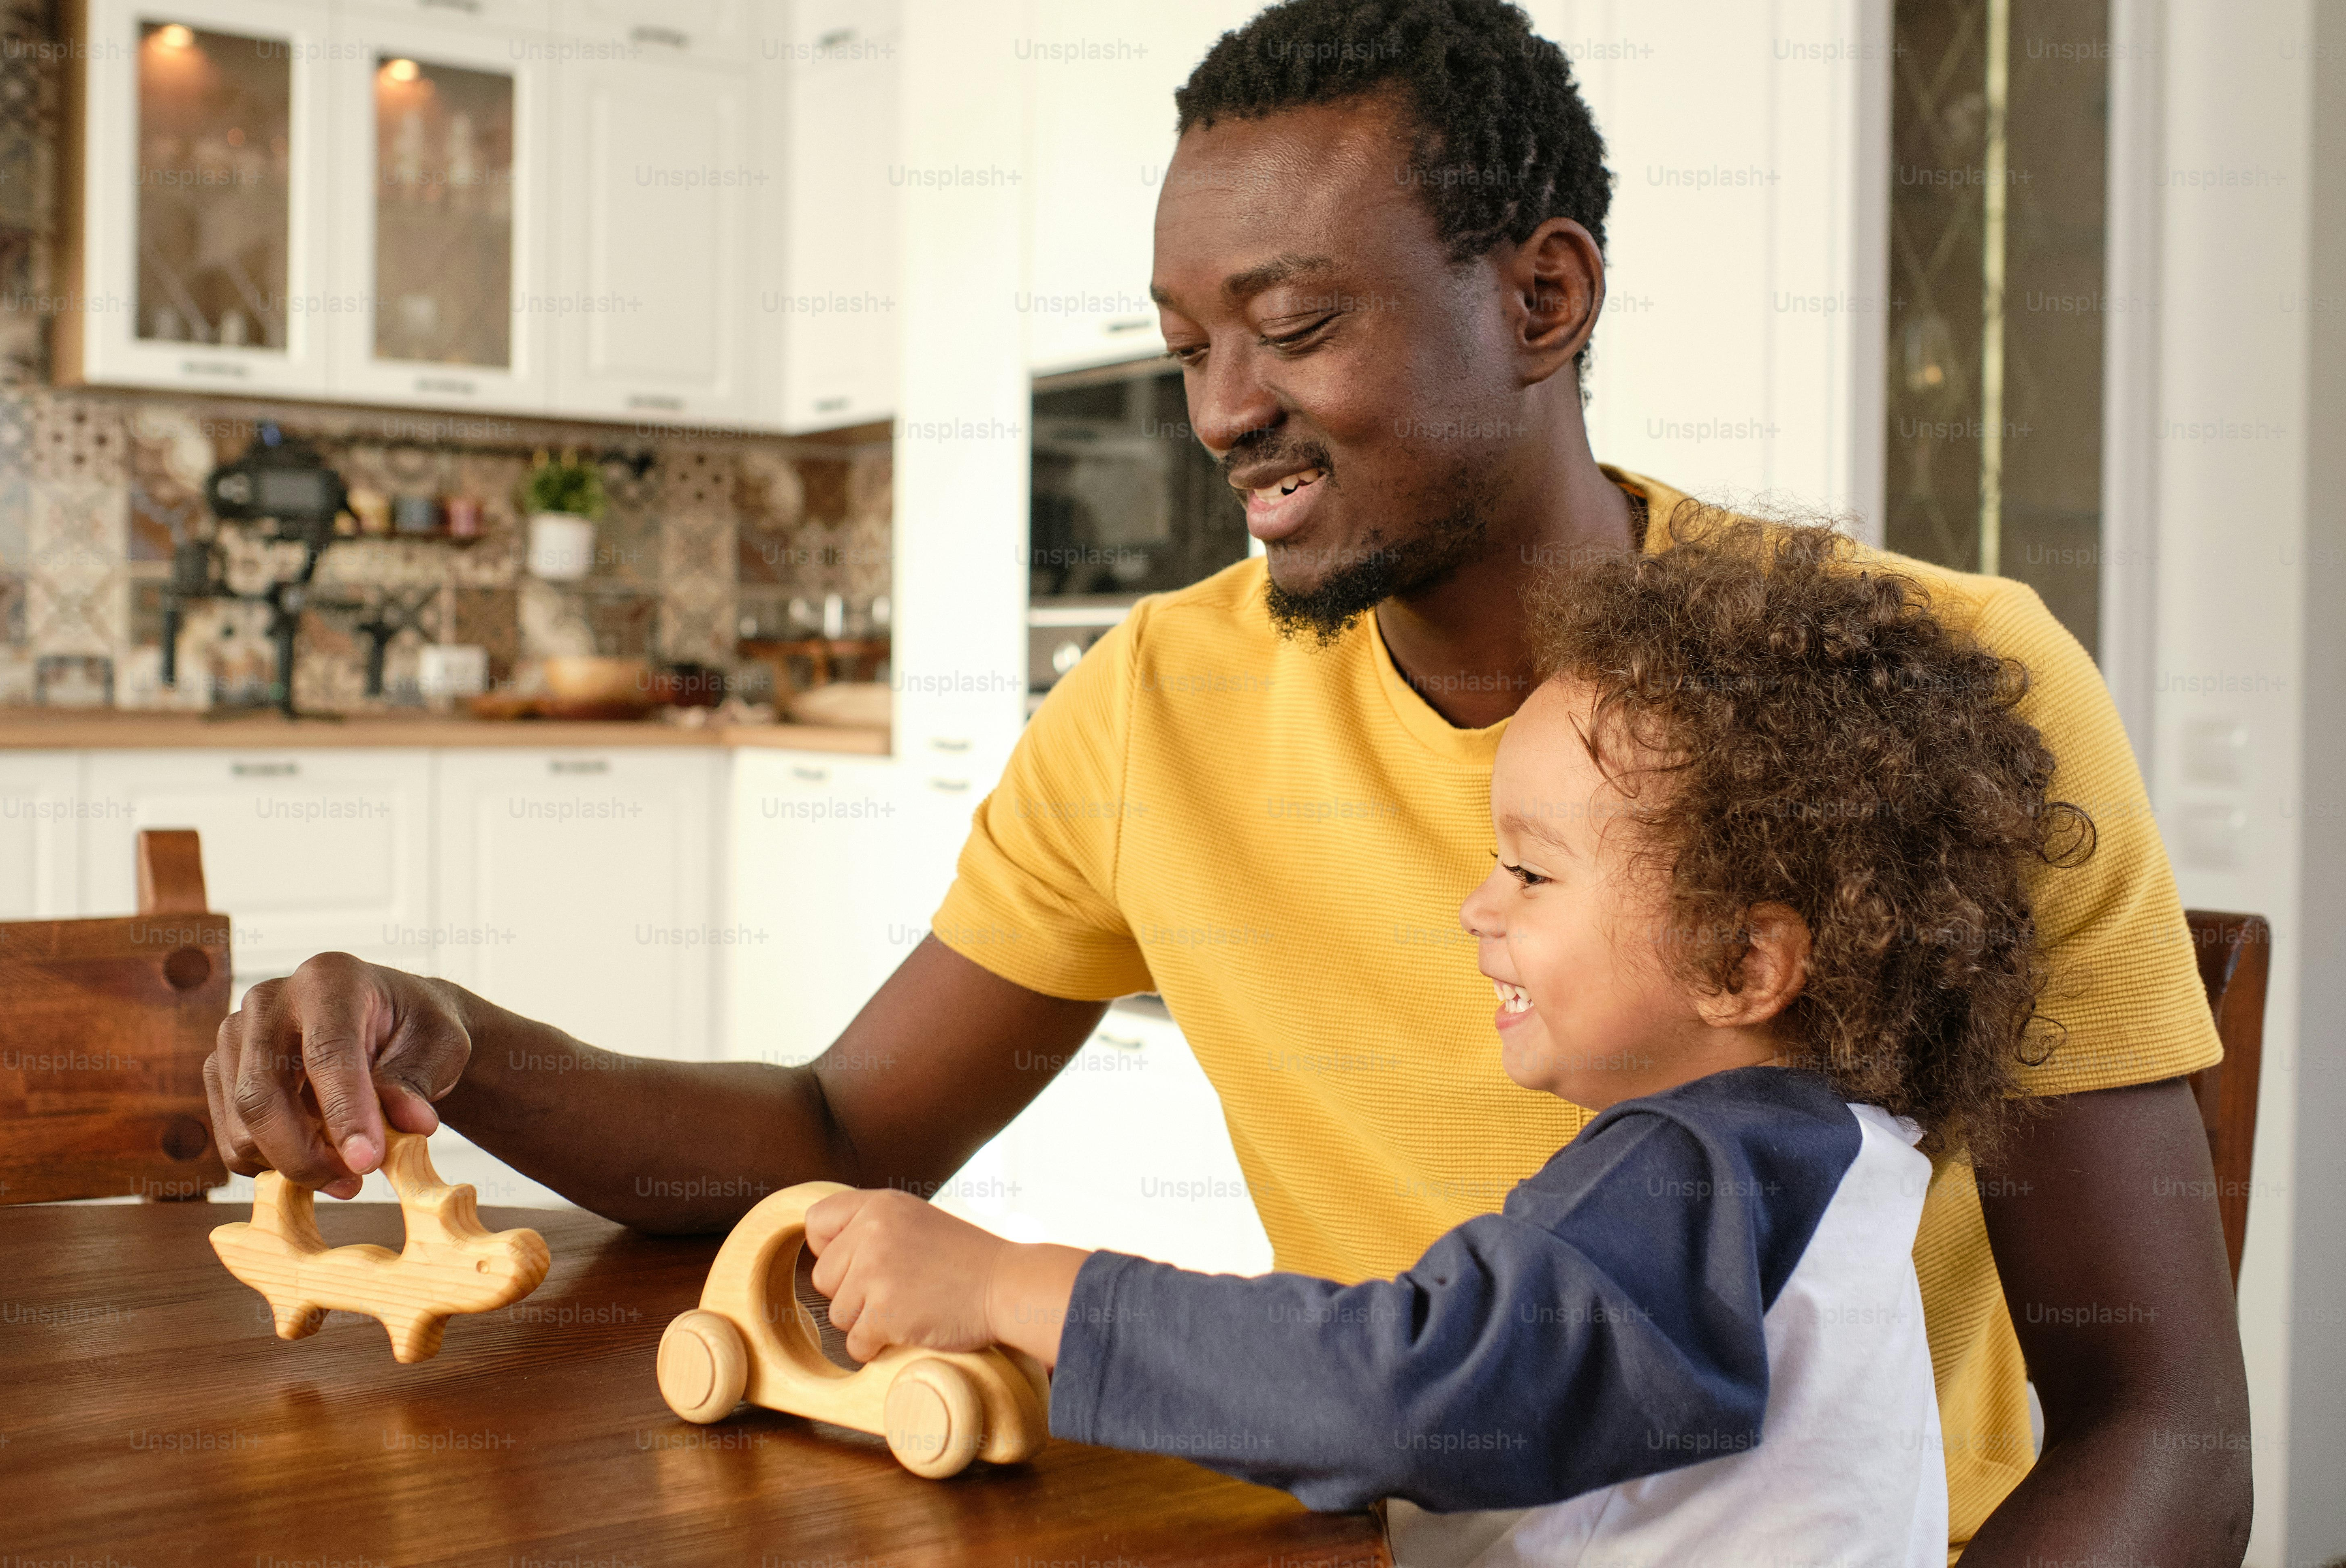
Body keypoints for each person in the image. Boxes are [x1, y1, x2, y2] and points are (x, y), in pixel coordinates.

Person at [201, 0, 2249, 1560]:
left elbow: (2163, 1428)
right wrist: (457, 1040)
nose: (1224, 408)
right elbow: (837, 1124)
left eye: (1291, 323)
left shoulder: (1933, 691)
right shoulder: (1151, 709)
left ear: (1540, 295)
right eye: (1191, 343)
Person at [803, 515, 2071, 1566]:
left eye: (1530, 871)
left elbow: (1407, 1393)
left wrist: (1008, 1287)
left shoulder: (1702, 1177)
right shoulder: (1821, 1153)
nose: (1479, 906)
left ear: (1747, 964)